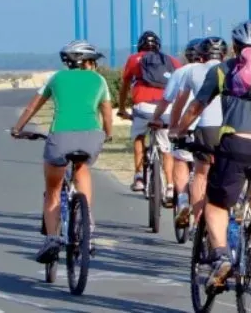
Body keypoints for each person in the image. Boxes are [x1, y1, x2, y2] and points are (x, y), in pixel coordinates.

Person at [171, 20, 251, 287]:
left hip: (236, 146)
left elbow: (197, 106)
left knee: (217, 203)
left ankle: (221, 256)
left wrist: (178, 132)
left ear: (234, 47)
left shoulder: (222, 70)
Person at [10, 40, 113, 263]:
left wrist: (18, 129)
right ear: (87, 63)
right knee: (82, 167)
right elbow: (106, 111)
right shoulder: (99, 80)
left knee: (53, 189)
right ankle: (87, 226)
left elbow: (32, 107)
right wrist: (108, 132)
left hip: (61, 136)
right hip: (91, 137)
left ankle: (53, 239)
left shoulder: (56, 78)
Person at [172, 36, 230, 235]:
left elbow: (182, 104)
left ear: (202, 54)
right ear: (224, 54)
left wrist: (176, 129)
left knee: (200, 174)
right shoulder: (232, 69)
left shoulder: (192, 71)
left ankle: (198, 224)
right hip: (231, 129)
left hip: (205, 128)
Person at [117, 30, 182, 200]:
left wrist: (123, 109)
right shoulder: (172, 61)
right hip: (165, 107)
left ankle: (138, 177)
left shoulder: (134, 59)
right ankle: (169, 186)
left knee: (139, 137)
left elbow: (124, 86)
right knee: (166, 147)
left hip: (143, 107)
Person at [149, 38, 205, 227]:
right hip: (212, 127)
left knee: (180, 160)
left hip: (187, 124)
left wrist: (158, 119)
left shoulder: (181, 72)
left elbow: (168, 100)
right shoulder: (218, 70)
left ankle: (181, 199)